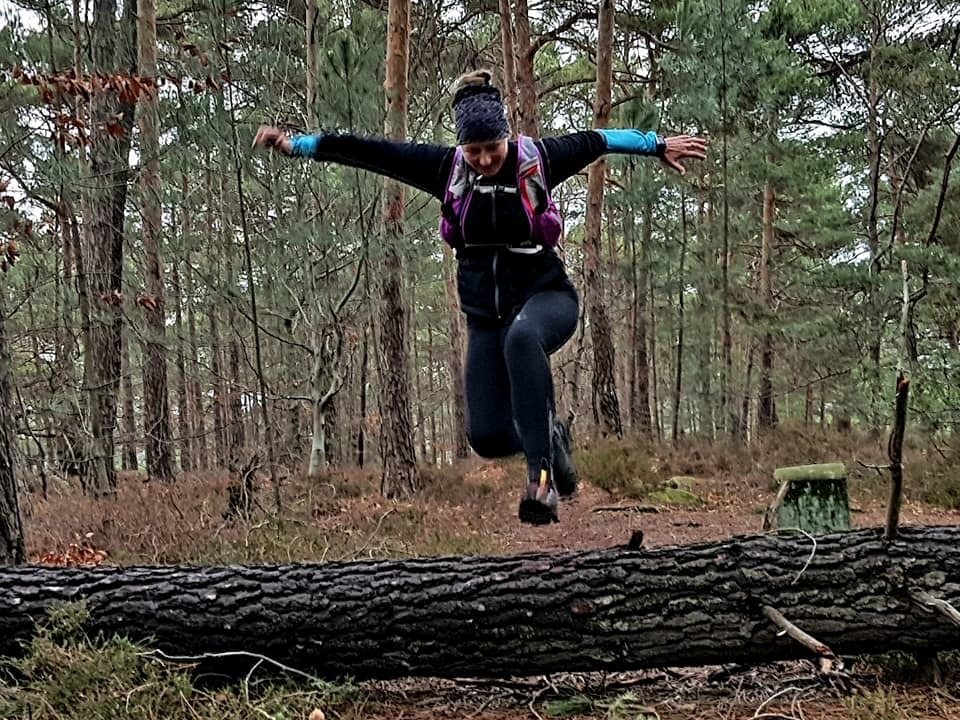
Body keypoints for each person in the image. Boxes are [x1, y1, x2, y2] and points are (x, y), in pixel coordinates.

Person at [253, 70, 707, 525]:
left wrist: (656, 144)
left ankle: (541, 482)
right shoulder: (444, 169)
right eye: (474, 151)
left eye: (493, 147)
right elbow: (370, 151)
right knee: (487, 437)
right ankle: (550, 437)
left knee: (521, 338)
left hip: (547, 298)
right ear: (461, 147)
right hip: (485, 318)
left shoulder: (539, 159)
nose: (486, 159)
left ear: (506, 136)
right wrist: (301, 145)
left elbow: (600, 139)